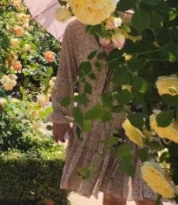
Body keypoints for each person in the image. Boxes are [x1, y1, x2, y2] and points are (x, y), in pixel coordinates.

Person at [50, 20, 156, 205]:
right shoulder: (76, 29)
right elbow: (66, 74)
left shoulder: (143, 25)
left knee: (147, 194)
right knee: (113, 192)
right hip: (96, 123)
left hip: (137, 120)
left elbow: (155, 73)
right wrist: (60, 116)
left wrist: (123, 55)